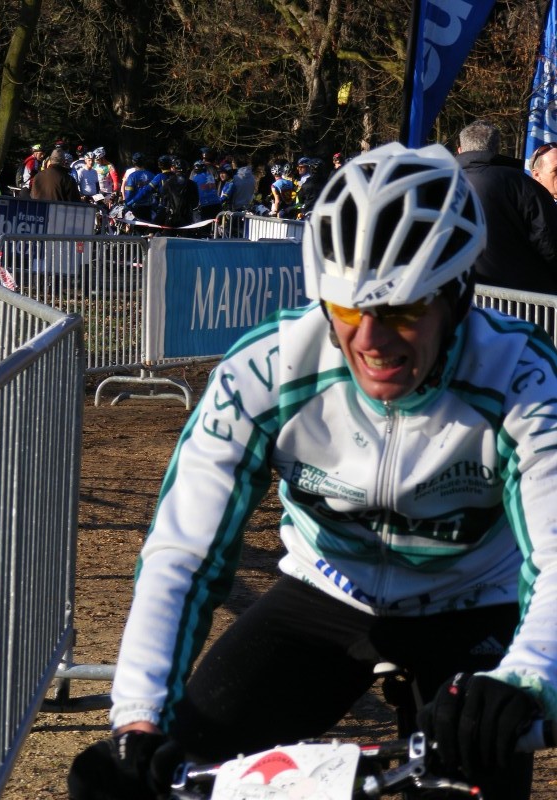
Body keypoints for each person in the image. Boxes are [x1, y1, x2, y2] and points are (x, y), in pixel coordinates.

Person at [68, 143, 557, 800]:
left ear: (457, 296)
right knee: (175, 766)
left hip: (473, 605)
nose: (371, 341)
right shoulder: (269, 368)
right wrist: (137, 720)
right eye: (348, 310)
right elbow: (184, 554)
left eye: (402, 311)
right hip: (326, 594)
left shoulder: (519, 375)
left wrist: (527, 678)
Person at [456, 119, 557, 293]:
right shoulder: (519, 183)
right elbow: (548, 242)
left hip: (460, 295)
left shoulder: (437, 184)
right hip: (521, 297)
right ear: (497, 148)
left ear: (460, 150)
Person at [160, 157, 199, 227]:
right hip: (187, 218)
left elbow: (163, 202)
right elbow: (195, 203)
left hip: (171, 218)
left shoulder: (168, 183)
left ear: (174, 169)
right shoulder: (192, 184)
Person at [123, 153, 156, 222]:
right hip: (149, 208)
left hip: (136, 208)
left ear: (133, 162)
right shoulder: (152, 175)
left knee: (137, 227)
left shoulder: (132, 176)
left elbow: (128, 194)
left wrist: (127, 204)